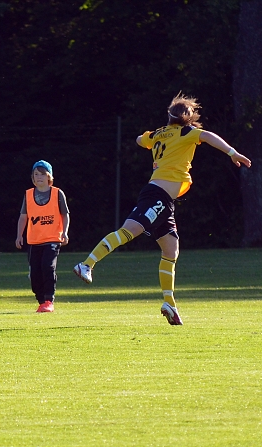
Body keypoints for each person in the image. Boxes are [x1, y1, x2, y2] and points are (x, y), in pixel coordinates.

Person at [73, 93, 252, 325]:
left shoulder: (159, 133)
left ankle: (169, 302)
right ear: (188, 118)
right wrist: (232, 152)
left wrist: (154, 139)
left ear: (169, 116)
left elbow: (139, 140)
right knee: (129, 232)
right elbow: (208, 136)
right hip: (157, 195)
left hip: (163, 201)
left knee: (171, 250)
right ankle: (86, 264)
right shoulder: (187, 133)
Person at [15, 160, 70, 313]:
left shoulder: (57, 193)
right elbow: (23, 217)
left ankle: (48, 300)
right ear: (32, 177)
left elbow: (65, 215)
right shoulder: (28, 195)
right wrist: (19, 235)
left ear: (49, 177)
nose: (39, 177)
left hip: (52, 239)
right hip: (34, 240)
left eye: (42, 174)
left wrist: (64, 232)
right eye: (36, 174)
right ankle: (41, 300)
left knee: (48, 266)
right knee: (35, 272)